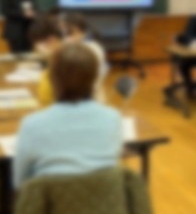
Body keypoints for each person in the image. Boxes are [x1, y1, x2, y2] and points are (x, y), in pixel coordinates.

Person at [13, 43, 122, 187]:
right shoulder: (112, 118)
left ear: (52, 78)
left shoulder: (32, 124)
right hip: (103, 198)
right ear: (95, 78)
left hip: (50, 199)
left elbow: (20, 181)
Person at [30, 14, 66, 107]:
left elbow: (45, 98)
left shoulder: (65, 63)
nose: (35, 49)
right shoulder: (54, 62)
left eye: (36, 44)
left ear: (51, 40)